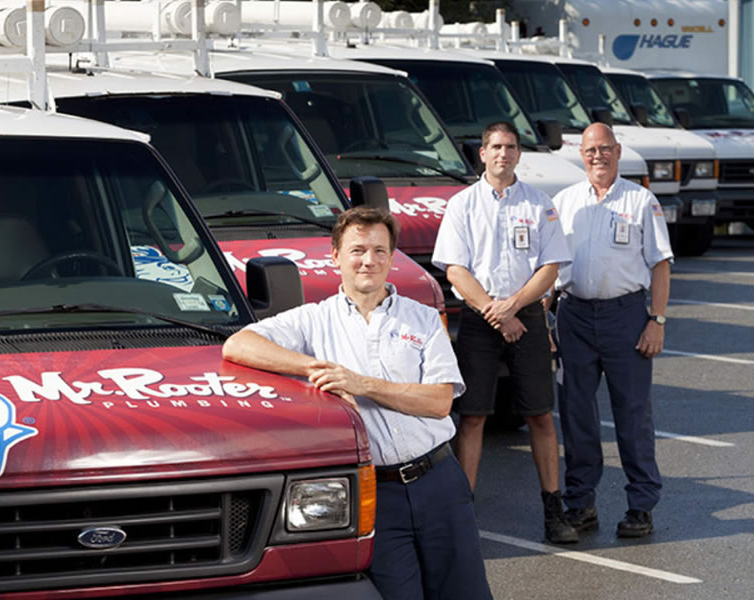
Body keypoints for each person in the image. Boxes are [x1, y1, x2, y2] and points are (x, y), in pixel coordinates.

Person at [223, 206, 493, 600]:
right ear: (335, 257)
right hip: (375, 494)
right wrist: (316, 367)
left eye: (380, 251)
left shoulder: (421, 318)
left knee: (466, 593)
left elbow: (438, 401)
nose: (369, 260)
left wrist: (359, 383)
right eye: (358, 250)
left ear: (392, 258)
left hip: (439, 482)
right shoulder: (312, 320)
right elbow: (238, 344)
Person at [431, 121, 576, 544]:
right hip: (480, 318)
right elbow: (455, 268)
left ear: (518, 154)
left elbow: (550, 267)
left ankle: (554, 512)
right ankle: (463, 512)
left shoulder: (539, 203)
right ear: (482, 153)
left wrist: (513, 307)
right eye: (495, 146)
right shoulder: (462, 204)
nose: (503, 154)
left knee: (541, 416)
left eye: (510, 147)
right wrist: (496, 312)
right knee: (473, 416)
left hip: (527, 315)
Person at [552, 123, 673, 538]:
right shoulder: (564, 202)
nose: (598, 156)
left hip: (626, 317)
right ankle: (581, 503)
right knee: (576, 415)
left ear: (618, 152)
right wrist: (549, 320)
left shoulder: (641, 201)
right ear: (580, 155)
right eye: (590, 150)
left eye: (605, 149)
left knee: (633, 415)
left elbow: (660, 264)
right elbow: (549, 269)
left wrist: (656, 321)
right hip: (574, 317)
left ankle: (641, 506)